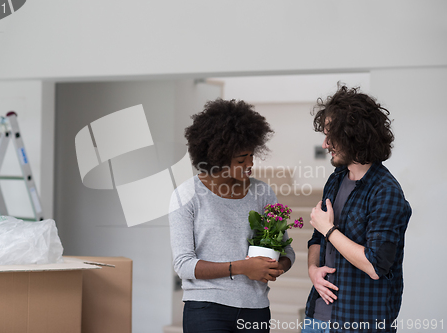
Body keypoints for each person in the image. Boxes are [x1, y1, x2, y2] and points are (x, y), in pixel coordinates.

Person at [169, 98, 295, 333]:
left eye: (251, 155)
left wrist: (277, 266)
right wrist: (241, 268)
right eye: (241, 160)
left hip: (255, 310)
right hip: (206, 308)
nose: (250, 164)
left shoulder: (262, 192)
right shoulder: (186, 195)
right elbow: (184, 264)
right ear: (217, 158)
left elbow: (286, 251)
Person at [302, 85, 412, 333]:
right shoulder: (336, 178)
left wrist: (329, 230)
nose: (325, 144)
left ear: (354, 136)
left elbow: (375, 266)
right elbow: (317, 238)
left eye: (332, 136)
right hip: (317, 319)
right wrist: (312, 270)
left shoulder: (386, 191)